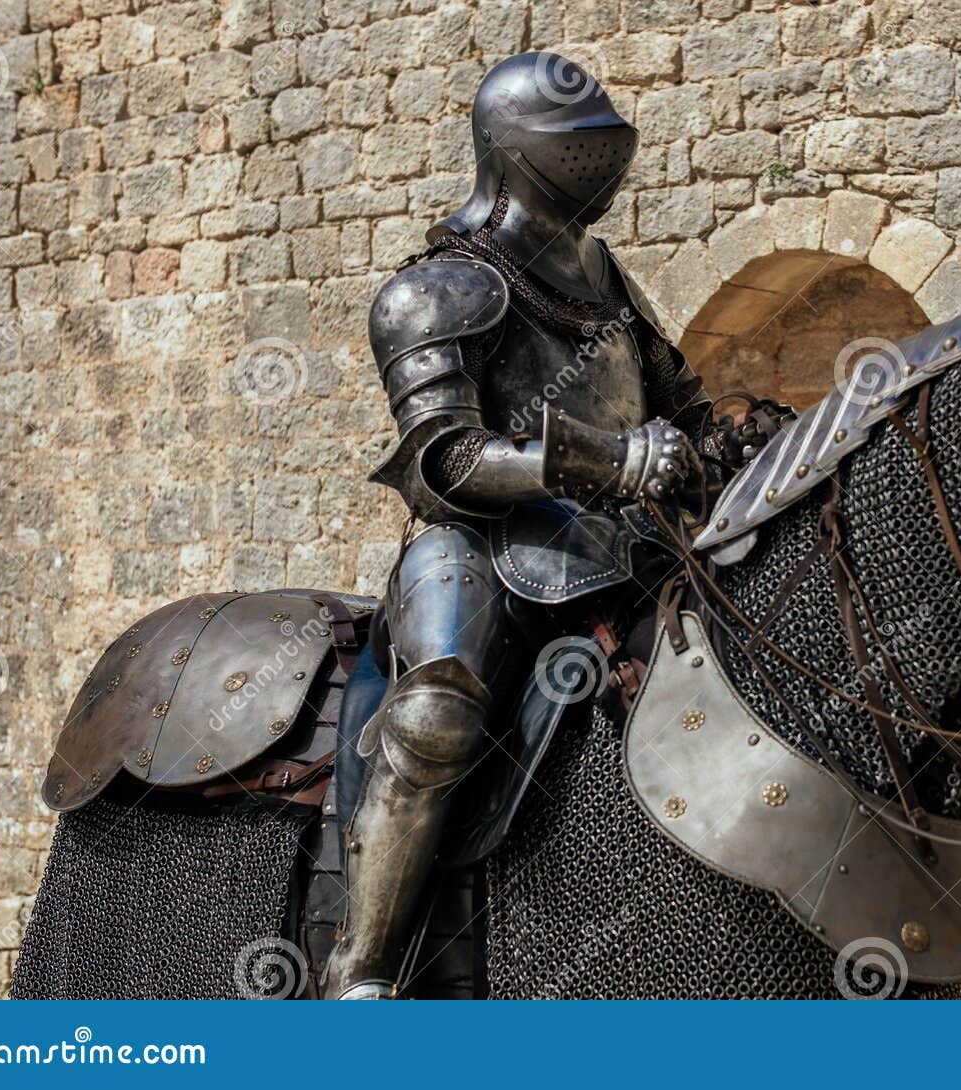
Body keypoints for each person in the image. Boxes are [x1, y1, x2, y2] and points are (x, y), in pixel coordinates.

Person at [324, 52, 783, 999]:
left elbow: (682, 405)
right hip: (483, 547)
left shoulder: (600, 274)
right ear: (513, 154)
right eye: (575, 151)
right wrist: (611, 461)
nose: (596, 169)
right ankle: (361, 972)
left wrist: (741, 441)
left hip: (626, 543)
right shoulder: (438, 289)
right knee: (438, 714)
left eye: (601, 150)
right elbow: (444, 460)